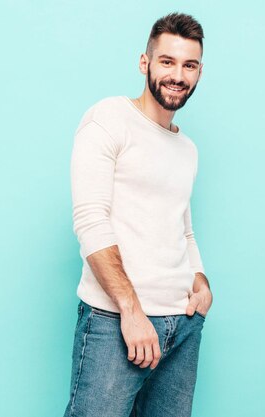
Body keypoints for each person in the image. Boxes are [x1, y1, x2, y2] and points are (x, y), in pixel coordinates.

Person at [64, 12, 213, 417]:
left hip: (181, 327)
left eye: (189, 65)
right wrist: (131, 311)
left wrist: (199, 280)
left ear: (199, 72)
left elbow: (182, 227)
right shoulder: (109, 118)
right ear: (144, 63)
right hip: (115, 322)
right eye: (167, 62)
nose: (177, 75)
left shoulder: (188, 150)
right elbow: (91, 219)